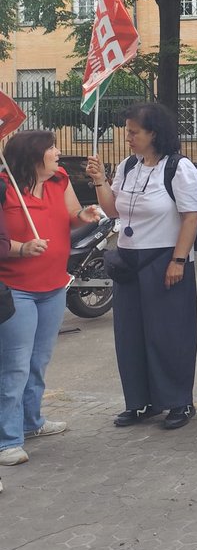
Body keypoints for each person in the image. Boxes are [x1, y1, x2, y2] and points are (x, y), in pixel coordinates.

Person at [86, 104, 197, 431]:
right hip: (129, 260)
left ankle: (179, 400)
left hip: (165, 258)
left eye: (134, 132)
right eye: (127, 131)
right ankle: (141, 402)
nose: (128, 138)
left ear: (154, 133)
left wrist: (178, 260)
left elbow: (192, 216)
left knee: (169, 334)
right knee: (131, 335)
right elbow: (114, 210)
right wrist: (100, 181)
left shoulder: (178, 168)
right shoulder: (128, 166)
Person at [0, 131, 103, 467]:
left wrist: (83, 216)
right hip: (16, 288)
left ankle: (32, 422)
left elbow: (72, 213)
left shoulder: (58, 179)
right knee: (14, 365)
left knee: (38, 361)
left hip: (55, 285)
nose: (58, 152)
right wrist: (21, 249)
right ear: (33, 155)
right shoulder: (4, 186)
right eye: (51, 148)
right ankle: (7, 439)